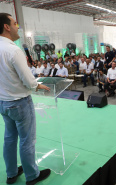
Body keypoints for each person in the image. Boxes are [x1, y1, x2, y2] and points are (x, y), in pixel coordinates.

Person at [0, 13, 51, 184]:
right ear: (7, 27)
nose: (17, 27)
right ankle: (32, 175)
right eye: (15, 23)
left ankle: (11, 173)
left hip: (3, 102)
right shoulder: (13, 50)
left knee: (9, 138)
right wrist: (37, 85)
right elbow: (28, 80)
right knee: (27, 140)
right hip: (19, 102)